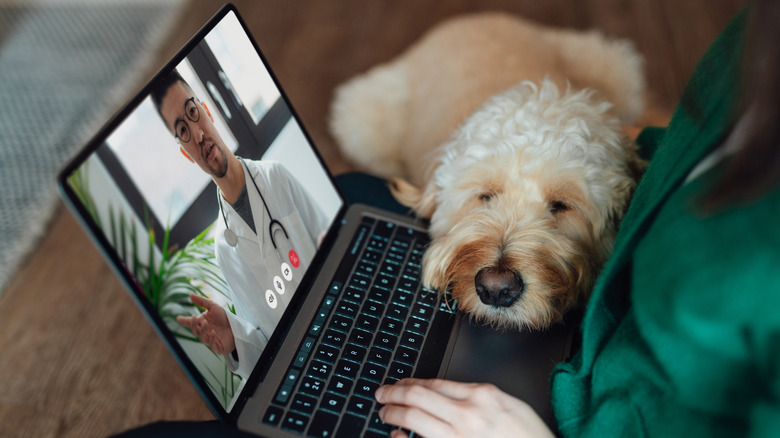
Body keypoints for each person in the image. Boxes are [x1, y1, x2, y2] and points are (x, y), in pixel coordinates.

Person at [375, 2, 780, 437]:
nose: (499, 272)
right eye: (486, 196)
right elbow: (680, 153)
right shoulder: (753, 37)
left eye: (559, 206)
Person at [151, 69, 330, 378]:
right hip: (305, 370)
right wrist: (234, 340)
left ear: (207, 111)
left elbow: (329, 236)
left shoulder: (275, 176)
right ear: (184, 152)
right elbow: (263, 345)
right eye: (182, 130)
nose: (197, 134)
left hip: (339, 318)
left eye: (193, 113)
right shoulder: (224, 248)